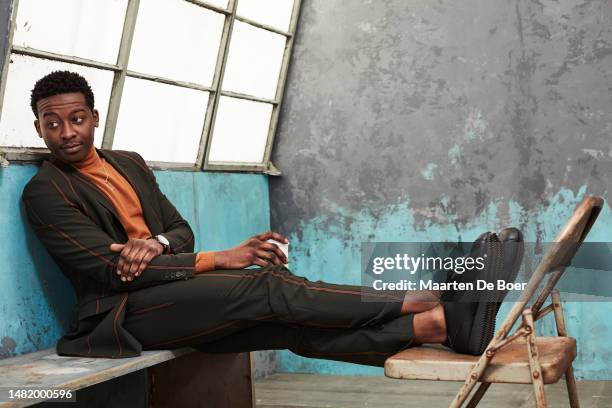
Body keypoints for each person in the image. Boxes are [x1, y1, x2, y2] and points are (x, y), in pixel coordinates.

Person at [21, 71, 524, 366]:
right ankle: (436, 296)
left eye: (76, 118)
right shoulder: (46, 192)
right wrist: (222, 258)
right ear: (39, 126)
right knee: (264, 286)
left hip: (169, 290)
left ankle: (439, 327)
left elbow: (179, 231)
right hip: (123, 315)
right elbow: (111, 270)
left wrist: (154, 241)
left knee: (289, 323)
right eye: (52, 123)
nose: (66, 132)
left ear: (95, 117)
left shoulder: (127, 162)